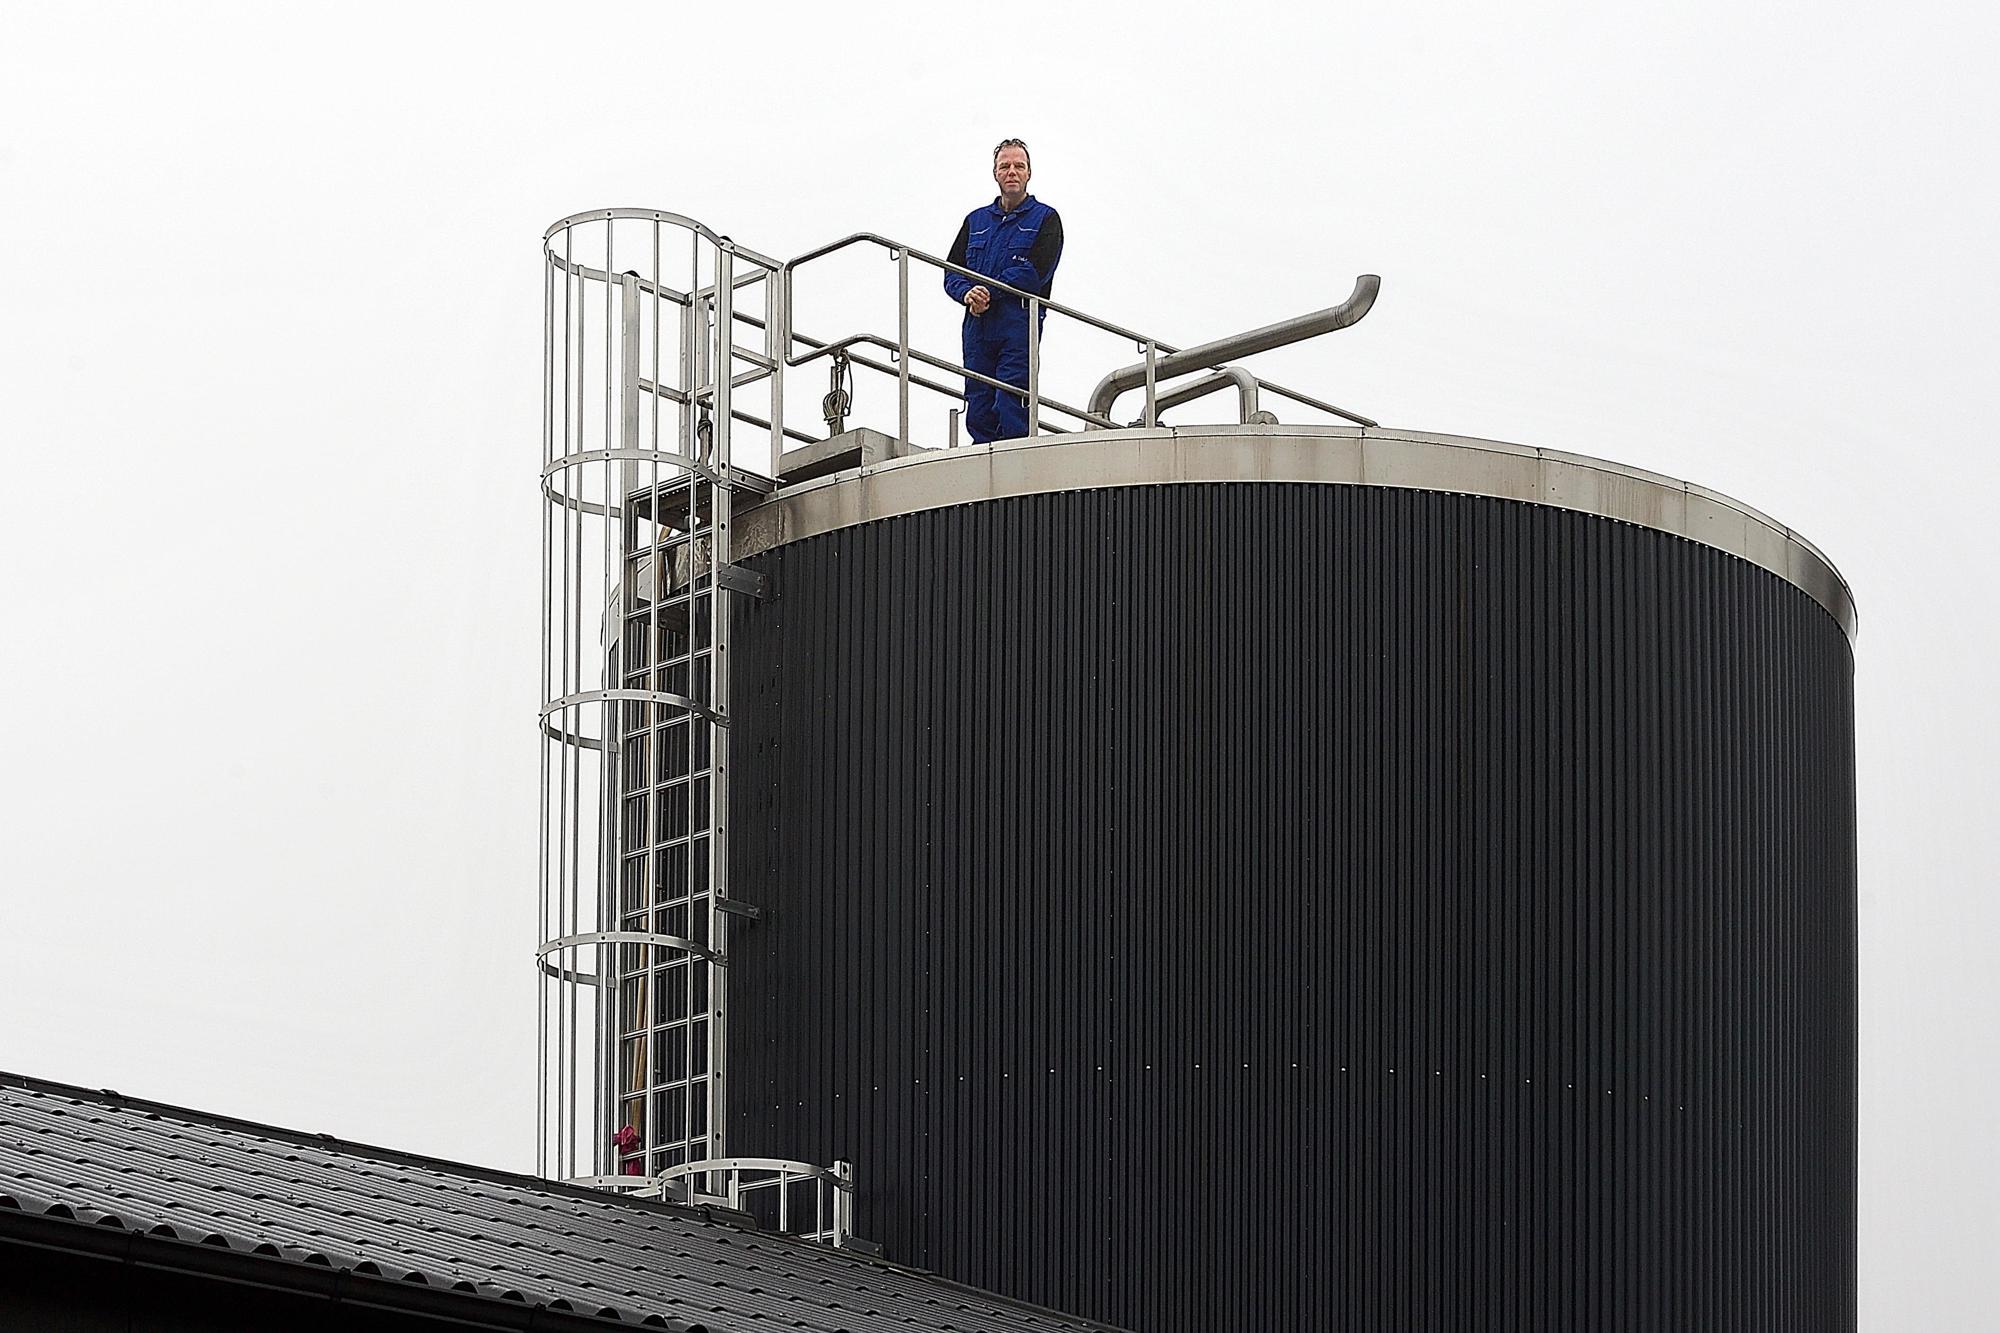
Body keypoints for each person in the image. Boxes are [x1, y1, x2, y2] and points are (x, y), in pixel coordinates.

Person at [943, 139, 1064, 443]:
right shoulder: (976, 221)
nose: (1012, 171)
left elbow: (1034, 273)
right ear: (995, 173)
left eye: (1018, 166)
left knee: (1012, 399)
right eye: (1005, 166)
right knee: (979, 401)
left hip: (1017, 325)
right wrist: (967, 294)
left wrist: (987, 291)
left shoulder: (1046, 219)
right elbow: (951, 271)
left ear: (1029, 173)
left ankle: (1015, 468)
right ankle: (981, 467)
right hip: (977, 327)